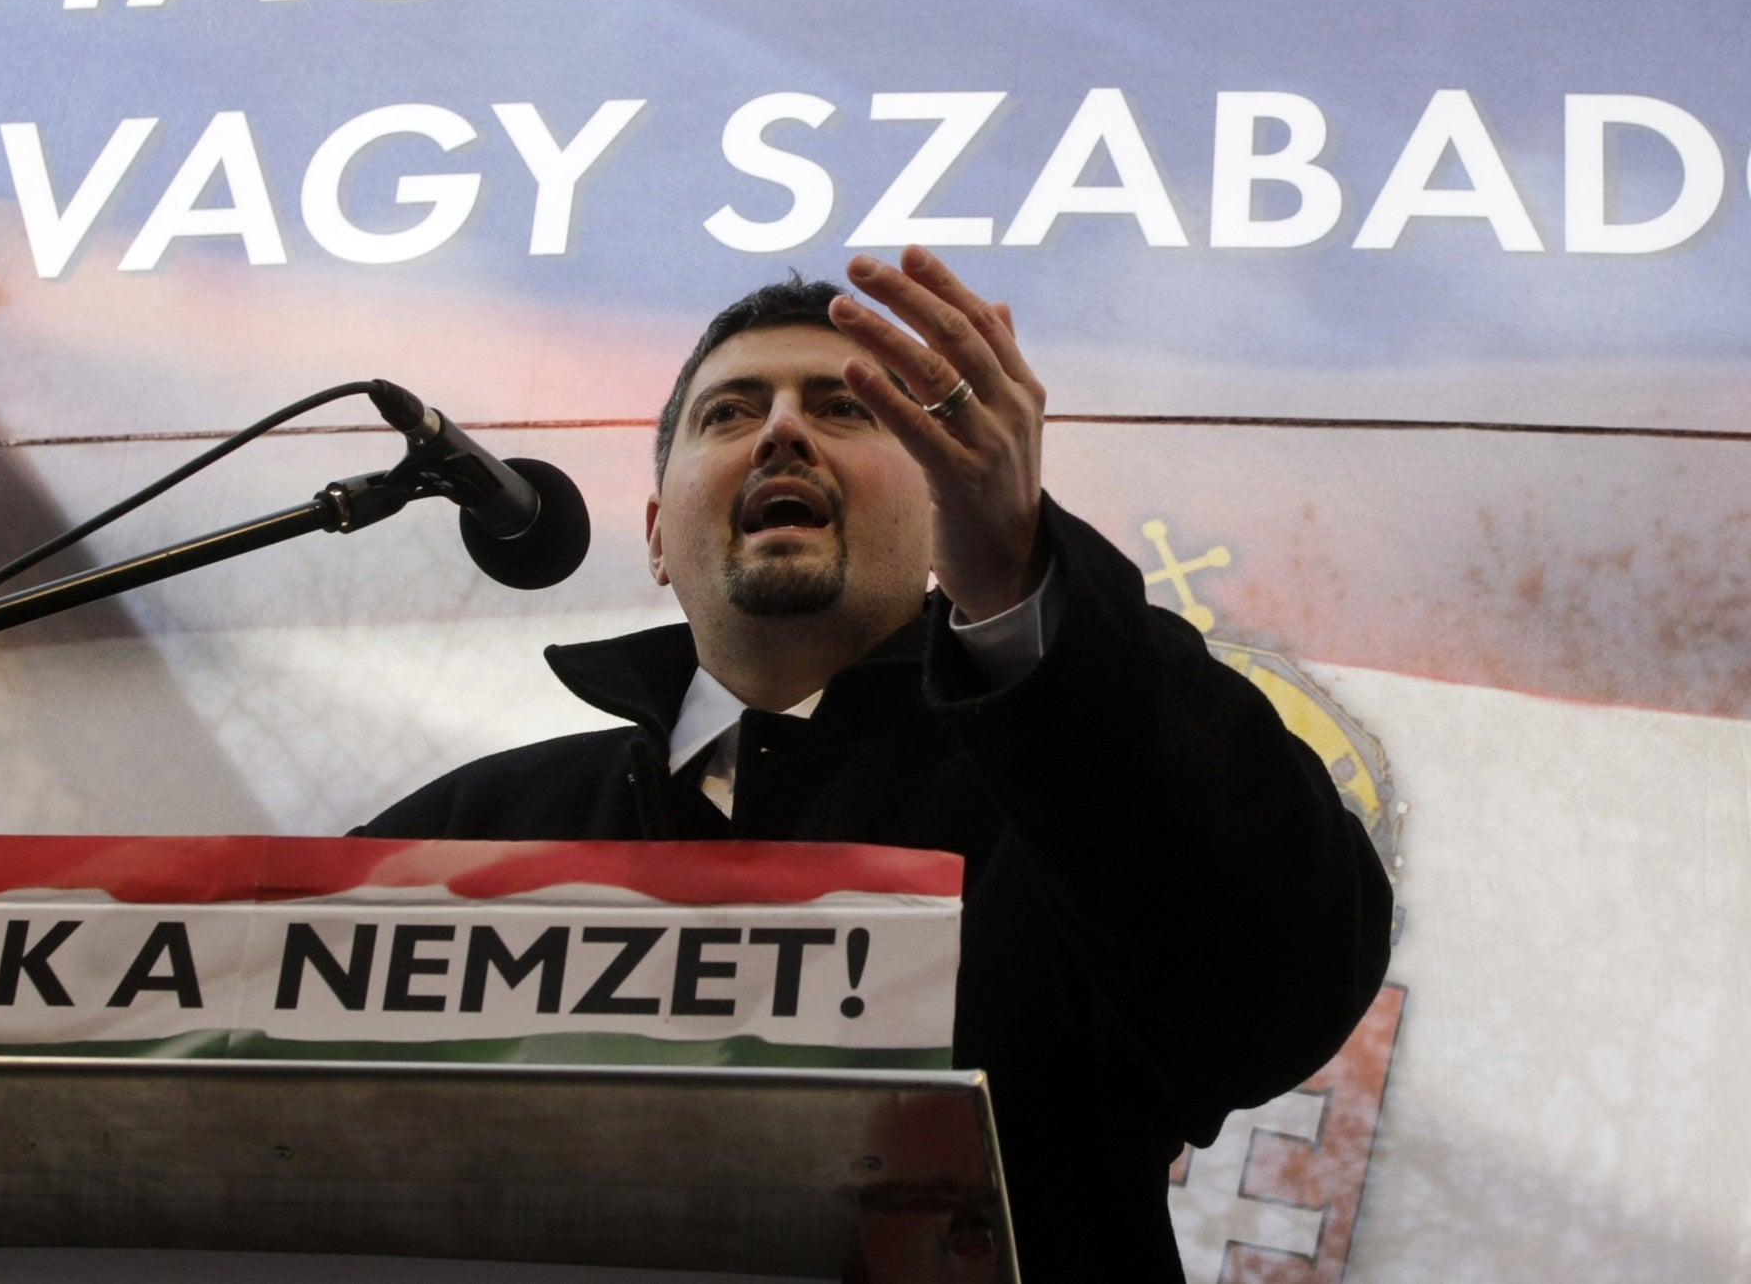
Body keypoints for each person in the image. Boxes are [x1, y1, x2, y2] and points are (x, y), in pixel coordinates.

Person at [355, 246, 1393, 1282]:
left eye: (844, 408)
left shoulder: (1075, 789)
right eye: (728, 412)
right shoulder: (464, 836)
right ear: (659, 535)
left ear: (939, 497)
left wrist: (1020, 575)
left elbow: (1276, 985)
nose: (781, 431)